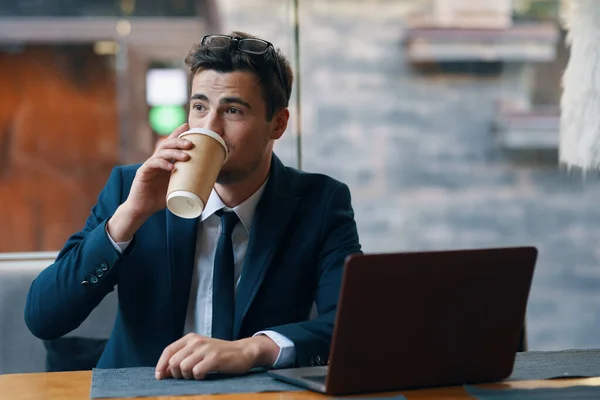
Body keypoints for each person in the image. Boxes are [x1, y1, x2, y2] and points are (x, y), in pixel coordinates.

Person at [24, 31, 361, 381]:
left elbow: (350, 326)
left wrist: (253, 349)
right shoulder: (132, 188)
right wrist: (129, 216)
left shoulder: (320, 202)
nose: (209, 127)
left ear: (277, 124)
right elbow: (44, 317)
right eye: (199, 107)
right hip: (139, 392)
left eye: (232, 110)